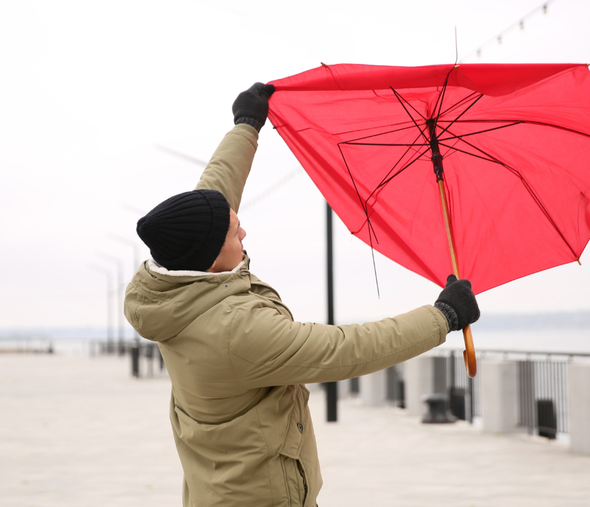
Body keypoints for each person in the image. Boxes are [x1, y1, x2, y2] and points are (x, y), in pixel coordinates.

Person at [124, 82, 481, 507]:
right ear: (211, 259)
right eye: (233, 233)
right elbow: (345, 349)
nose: (243, 231)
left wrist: (246, 126)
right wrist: (442, 316)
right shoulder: (236, 331)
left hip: (219, 491)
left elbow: (215, 195)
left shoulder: (177, 286)